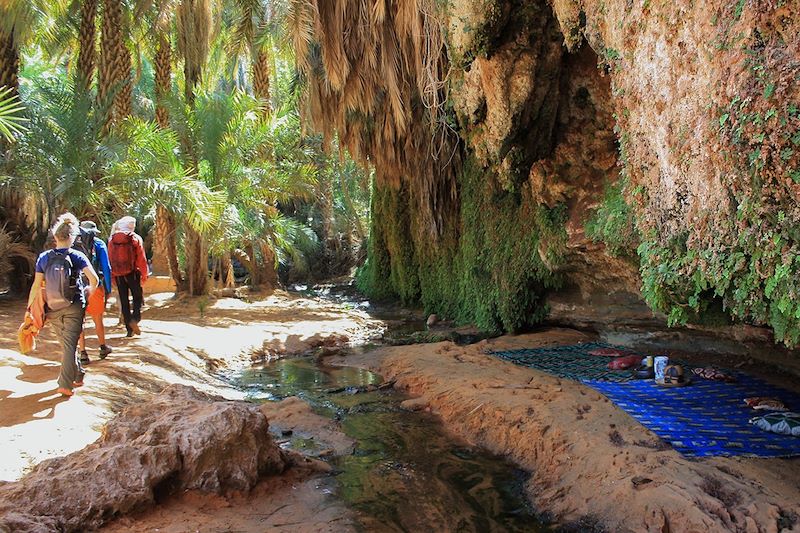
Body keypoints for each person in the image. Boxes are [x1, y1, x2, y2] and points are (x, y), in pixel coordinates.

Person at [27, 212, 99, 397]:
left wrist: (29, 308)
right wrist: (88, 291)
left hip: (52, 306)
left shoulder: (44, 257)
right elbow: (94, 279)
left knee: (67, 344)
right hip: (75, 304)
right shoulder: (77, 256)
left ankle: (76, 374)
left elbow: (36, 285)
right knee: (69, 345)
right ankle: (66, 383)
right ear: (72, 237)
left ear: (55, 236)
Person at [75, 220, 113, 364]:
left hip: (78, 286)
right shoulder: (99, 244)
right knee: (97, 318)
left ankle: (83, 353)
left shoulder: (74, 244)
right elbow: (106, 267)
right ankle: (102, 347)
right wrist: (108, 288)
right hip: (95, 285)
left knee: (80, 320)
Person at [108, 216, 148, 336]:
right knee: (137, 297)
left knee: (124, 299)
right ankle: (135, 319)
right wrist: (144, 274)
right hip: (133, 274)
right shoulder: (135, 238)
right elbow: (141, 258)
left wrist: (112, 276)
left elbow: (110, 258)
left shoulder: (112, 239)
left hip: (118, 274)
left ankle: (129, 329)